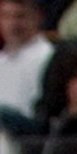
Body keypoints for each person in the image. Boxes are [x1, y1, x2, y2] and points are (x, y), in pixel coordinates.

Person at [0, 0, 56, 132]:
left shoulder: (50, 58)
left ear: (37, 18)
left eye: (20, 16)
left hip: (30, 140)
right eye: (6, 16)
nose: (13, 24)